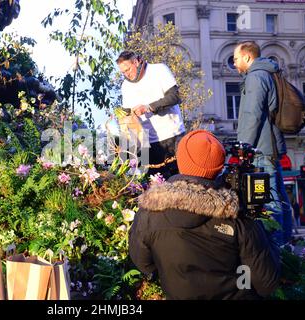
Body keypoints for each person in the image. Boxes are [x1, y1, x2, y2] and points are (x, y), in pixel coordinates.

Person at [129, 130, 281, 300]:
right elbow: (266, 282)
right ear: (218, 167)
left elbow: (143, 263)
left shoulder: (149, 213)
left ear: (181, 160)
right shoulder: (236, 216)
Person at [233, 41, 292, 244]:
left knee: (269, 203)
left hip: (261, 148)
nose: (234, 63)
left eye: (236, 58)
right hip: (269, 145)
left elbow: (252, 114)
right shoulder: (266, 73)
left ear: (248, 57)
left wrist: (243, 147)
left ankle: (277, 249)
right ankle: (285, 243)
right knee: (279, 198)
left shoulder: (256, 77)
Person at [116, 51, 185, 179]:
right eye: (123, 72)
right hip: (149, 143)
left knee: (179, 182)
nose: (127, 74)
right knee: (155, 187)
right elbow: (127, 117)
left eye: (128, 69)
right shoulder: (125, 86)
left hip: (173, 136)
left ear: (136, 62)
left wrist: (149, 107)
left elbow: (175, 96)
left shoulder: (159, 70)